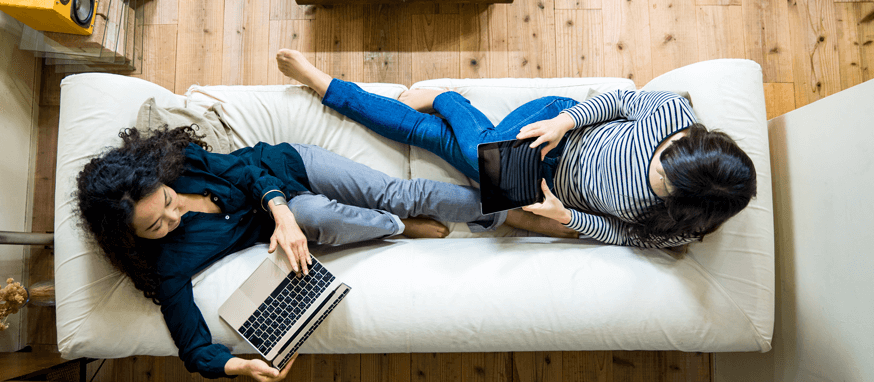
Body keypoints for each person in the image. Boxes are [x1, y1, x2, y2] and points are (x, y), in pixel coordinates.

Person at [74, 126, 503, 380]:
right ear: (132, 237)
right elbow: (192, 345)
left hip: (288, 167)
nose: (175, 215)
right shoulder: (168, 264)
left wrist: (279, 212)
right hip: (301, 214)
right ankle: (397, 225)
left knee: (398, 193)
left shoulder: (183, 162)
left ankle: (507, 204)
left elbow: (247, 171)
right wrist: (236, 367)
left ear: (163, 180)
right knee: (318, 213)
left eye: (168, 200)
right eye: (156, 226)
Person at [275, 49, 758, 248]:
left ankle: (325, 85)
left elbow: (625, 235)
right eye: (664, 153)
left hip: (543, 187)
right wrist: (564, 120)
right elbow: (618, 100)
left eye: (660, 182)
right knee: (482, 147)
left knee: (431, 137)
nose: (655, 164)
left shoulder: (678, 227)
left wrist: (564, 216)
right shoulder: (674, 114)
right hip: (556, 126)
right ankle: (448, 97)